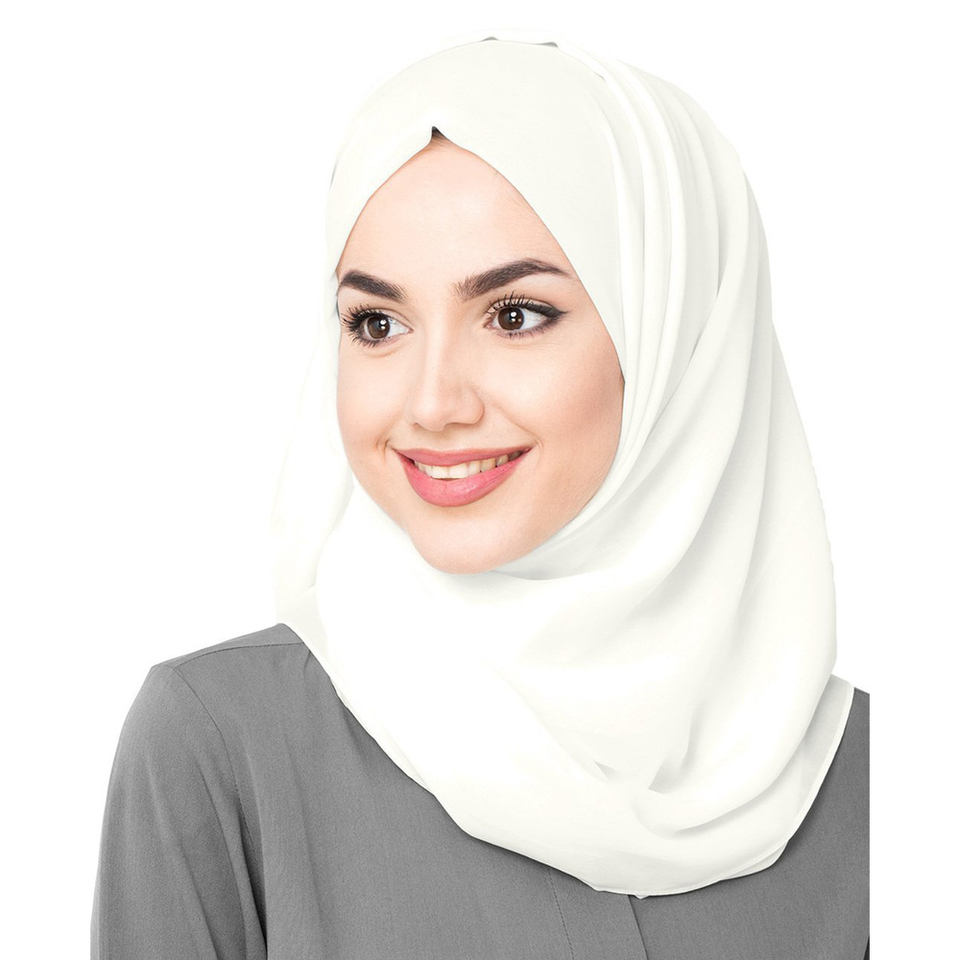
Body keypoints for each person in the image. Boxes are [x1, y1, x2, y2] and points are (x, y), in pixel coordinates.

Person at [90, 32, 869, 960]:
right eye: (377, 323)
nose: (432, 404)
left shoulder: (871, 783)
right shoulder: (224, 745)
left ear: (680, 340)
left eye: (514, 314)